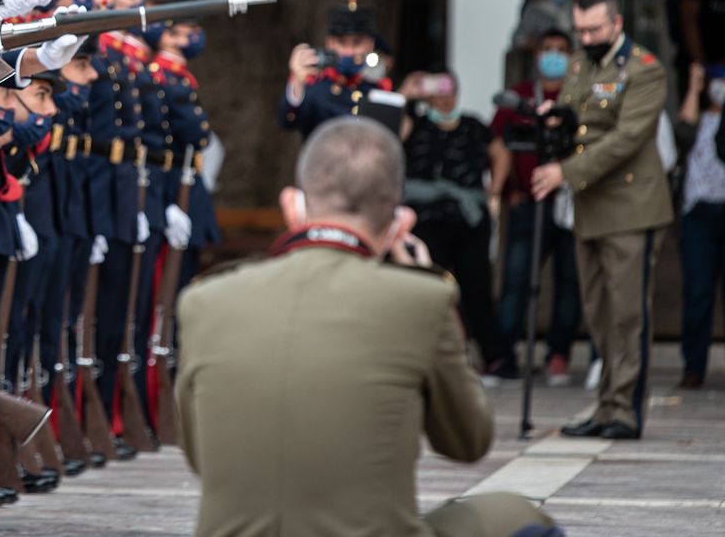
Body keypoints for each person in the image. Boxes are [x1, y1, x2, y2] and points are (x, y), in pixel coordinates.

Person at [174, 117, 560, 537]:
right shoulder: (419, 301)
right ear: (401, 223)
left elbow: (201, 458)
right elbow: (467, 441)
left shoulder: (204, 302)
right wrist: (428, 280)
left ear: (293, 206)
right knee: (517, 514)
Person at [530, 0, 671, 440]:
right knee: (599, 313)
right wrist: (557, 118)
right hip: (590, 206)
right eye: (580, 29)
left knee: (628, 313)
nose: (585, 36)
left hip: (630, 206)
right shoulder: (580, 63)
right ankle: (606, 404)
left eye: (593, 28)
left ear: (616, 24)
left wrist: (565, 171)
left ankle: (626, 410)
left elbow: (626, 139)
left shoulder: (644, 71)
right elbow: (580, 117)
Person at [397, 67, 513, 380]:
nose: (444, 97)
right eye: (436, 89)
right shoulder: (416, 124)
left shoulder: (474, 125)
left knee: (476, 287)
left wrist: (496, 189)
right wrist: (406, 96)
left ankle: (494, 358)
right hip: (427, 220)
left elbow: (500, 153)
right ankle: (444, 357)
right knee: (434, 286)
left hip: (468, 219)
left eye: (449, 89)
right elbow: (390, 135)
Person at [491, 28, 581, 387]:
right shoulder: (521, 97)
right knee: (516, 280)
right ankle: (504, 355)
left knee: (570, 281)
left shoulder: (579, 97)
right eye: (548, 49)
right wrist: (509, 188)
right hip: (528, 202)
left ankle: (559, 355)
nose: (554, 56)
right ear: (536, 53)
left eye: (562, 50)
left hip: (571, 203)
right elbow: (499, 143)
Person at [279, 0, 394, 139]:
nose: (349, 52)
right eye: (342, 43)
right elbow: (288, 121)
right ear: (330, 43)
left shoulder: (378, 89)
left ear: (370, 45)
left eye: (357, 43)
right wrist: (297, 80)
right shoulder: (315, 87)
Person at [675, 62, 725, 389]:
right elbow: (682, 133)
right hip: (698, 214)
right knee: (697, 293)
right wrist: (693, 87)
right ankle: (693, 366)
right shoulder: (699, 117)